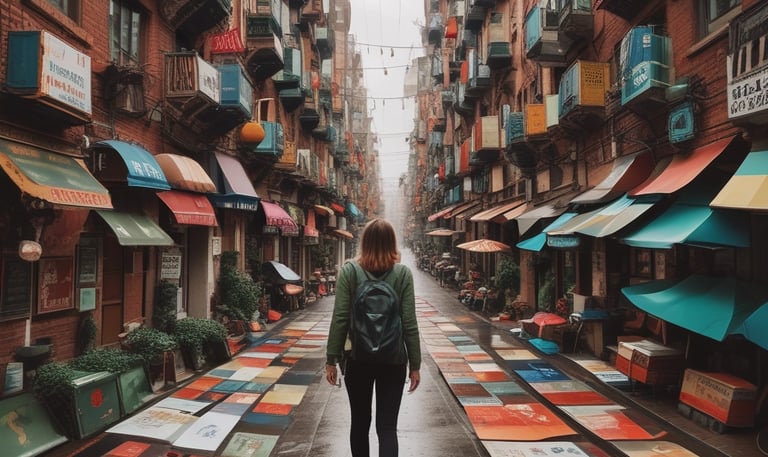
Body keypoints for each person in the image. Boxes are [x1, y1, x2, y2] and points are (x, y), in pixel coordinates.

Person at [325, 218, 421, 457]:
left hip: (357, 359)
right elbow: (409, 323)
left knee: (359, 423)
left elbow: (340, 318)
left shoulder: (349, 271)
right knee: (387, 427)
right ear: (392, 242)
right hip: (394, 360)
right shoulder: (402, 274)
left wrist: (331, 358)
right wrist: (415, 365)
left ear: (364, 242)